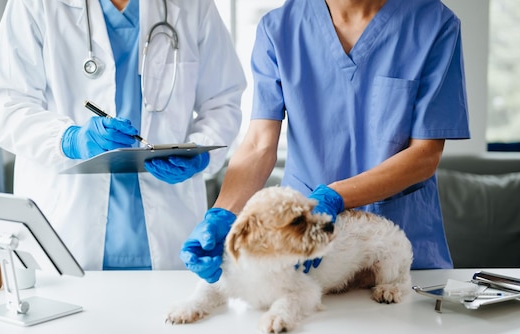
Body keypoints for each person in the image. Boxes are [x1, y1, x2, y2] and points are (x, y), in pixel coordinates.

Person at [180, 0, 470, 283]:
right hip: (305, 248)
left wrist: (335, 196)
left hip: (401, 253)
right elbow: (259, 144)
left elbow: (424, 155)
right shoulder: (279, 29)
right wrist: (223, 213)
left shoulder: (434, 23)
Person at [0, 0, 246, 270]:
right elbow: (6, 105)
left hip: (170, 224)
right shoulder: (35, 5)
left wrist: (198, 153)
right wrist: (68, 140)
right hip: (66, 224)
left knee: (172, 308)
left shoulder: (194, 6)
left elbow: (223, 101)